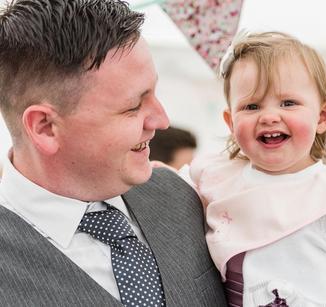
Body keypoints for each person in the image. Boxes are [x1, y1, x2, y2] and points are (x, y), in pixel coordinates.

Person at [0, 1, 225, 306]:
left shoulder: (183, 197)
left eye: (154, 93)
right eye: (133, 106)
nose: (161, 120)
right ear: (45, 127)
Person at [189, 31, 326, 306]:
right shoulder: (217, 176)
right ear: (231, 122)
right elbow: (164, 186)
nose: (268, 116)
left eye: (288, 103)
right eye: (251, 106)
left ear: (322, 116)